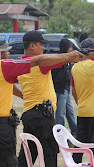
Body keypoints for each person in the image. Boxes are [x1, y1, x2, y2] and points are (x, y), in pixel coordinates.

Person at [0, 35, 84, 167]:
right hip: (0, 128)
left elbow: (10, 87)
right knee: (44, 154)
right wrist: (68, 57)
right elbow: (37, 61)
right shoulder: (1, 67)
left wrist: (23, 95)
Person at [17, 31, 85, 167]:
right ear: (32, 46)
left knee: (28, 154)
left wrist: (22, 95)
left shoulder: (19, 63)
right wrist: (75, 55)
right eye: (41, 45)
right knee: (49, 153)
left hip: (30, 113)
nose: (43, 48)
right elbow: (62, 59)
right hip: (42, 115)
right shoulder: (41, 64)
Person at [51, 39, 77, 137]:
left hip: (66, 90)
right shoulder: (59, 59)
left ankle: (75, 133)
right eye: (70, 47)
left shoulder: (69, 60)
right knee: (60, 114)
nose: (71, 49)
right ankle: (60, 135)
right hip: (60, 90)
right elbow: (57, 76)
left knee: (70, 113)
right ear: (65, 47)